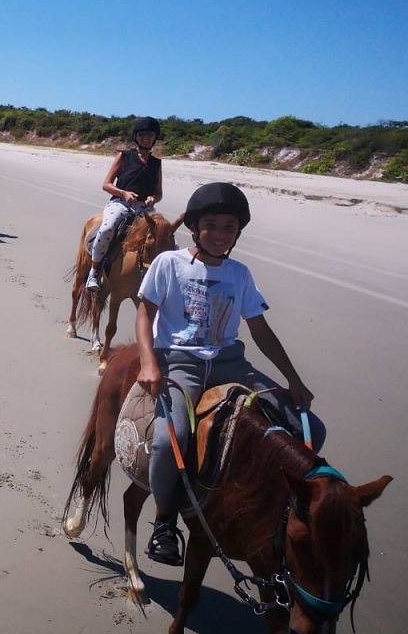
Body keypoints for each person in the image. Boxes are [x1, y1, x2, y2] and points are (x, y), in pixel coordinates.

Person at [135, 182, 325, 566]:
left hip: (230, 363)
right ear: (193, 227)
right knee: (169, 439)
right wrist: (149, 363)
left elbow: (259, 329)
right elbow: (145, 314)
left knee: (311, 430)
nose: (221, 235)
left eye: (230, 228)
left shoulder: (240, 273)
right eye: (212, 225)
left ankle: (274, 501)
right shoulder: (168, 264)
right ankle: (164, 520)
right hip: (181, 361)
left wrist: (293, 380)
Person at [86, 116, 163, 292]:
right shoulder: (124, 156)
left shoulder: (156, 163)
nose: (146, 138)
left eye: (150, 135)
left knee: (165, 236)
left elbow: (158, 193)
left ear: (154, 138)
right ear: (136, 136)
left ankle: (159, 275)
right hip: (121, 203)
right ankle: (94, 271)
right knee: (107, 229)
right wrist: (124, 193)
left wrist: (153, 199)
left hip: (144, 207)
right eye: (142, 134)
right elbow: (106, 184)